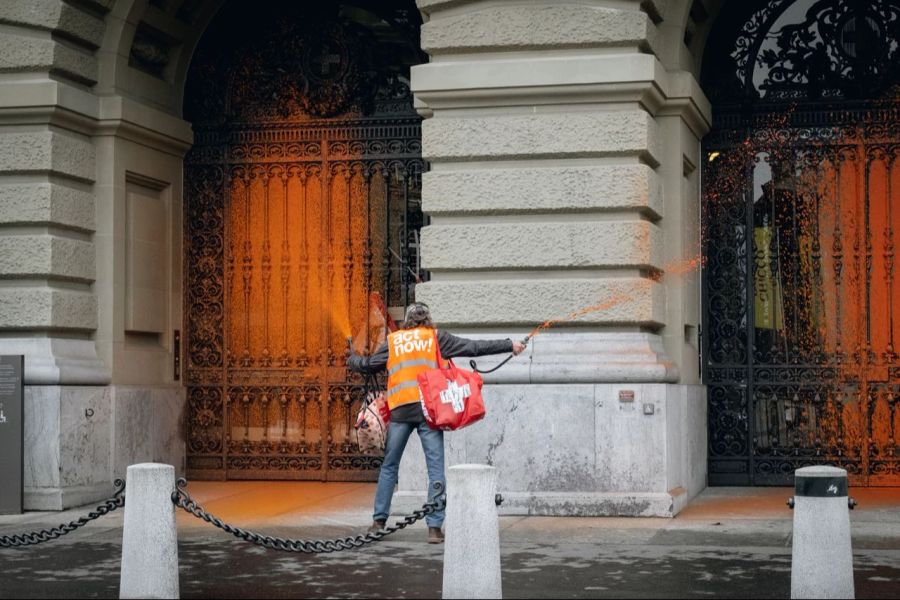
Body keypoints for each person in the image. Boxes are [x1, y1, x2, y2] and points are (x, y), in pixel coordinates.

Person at [347, 302, 526, 543]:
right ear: (428, 319)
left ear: (407, 321)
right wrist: (509, 346)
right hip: (428, 412)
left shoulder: (395, 341)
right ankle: (434, 528)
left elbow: (367, 366)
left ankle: (378, 522)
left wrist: (352, 357)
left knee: (390, 466)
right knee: (435, 470)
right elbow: (472, 347)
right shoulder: (435, 338)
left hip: (400, 411)